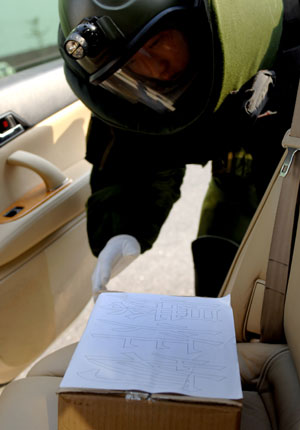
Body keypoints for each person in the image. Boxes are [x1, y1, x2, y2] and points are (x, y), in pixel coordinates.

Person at [58, 0, 300, 298]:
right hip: (236, 176)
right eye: (130, 63)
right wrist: (124, 226)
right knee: (218, 283)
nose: (153, 69)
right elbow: (138, 147)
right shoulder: (152, 82)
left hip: (288, 163)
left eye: (158, 42)